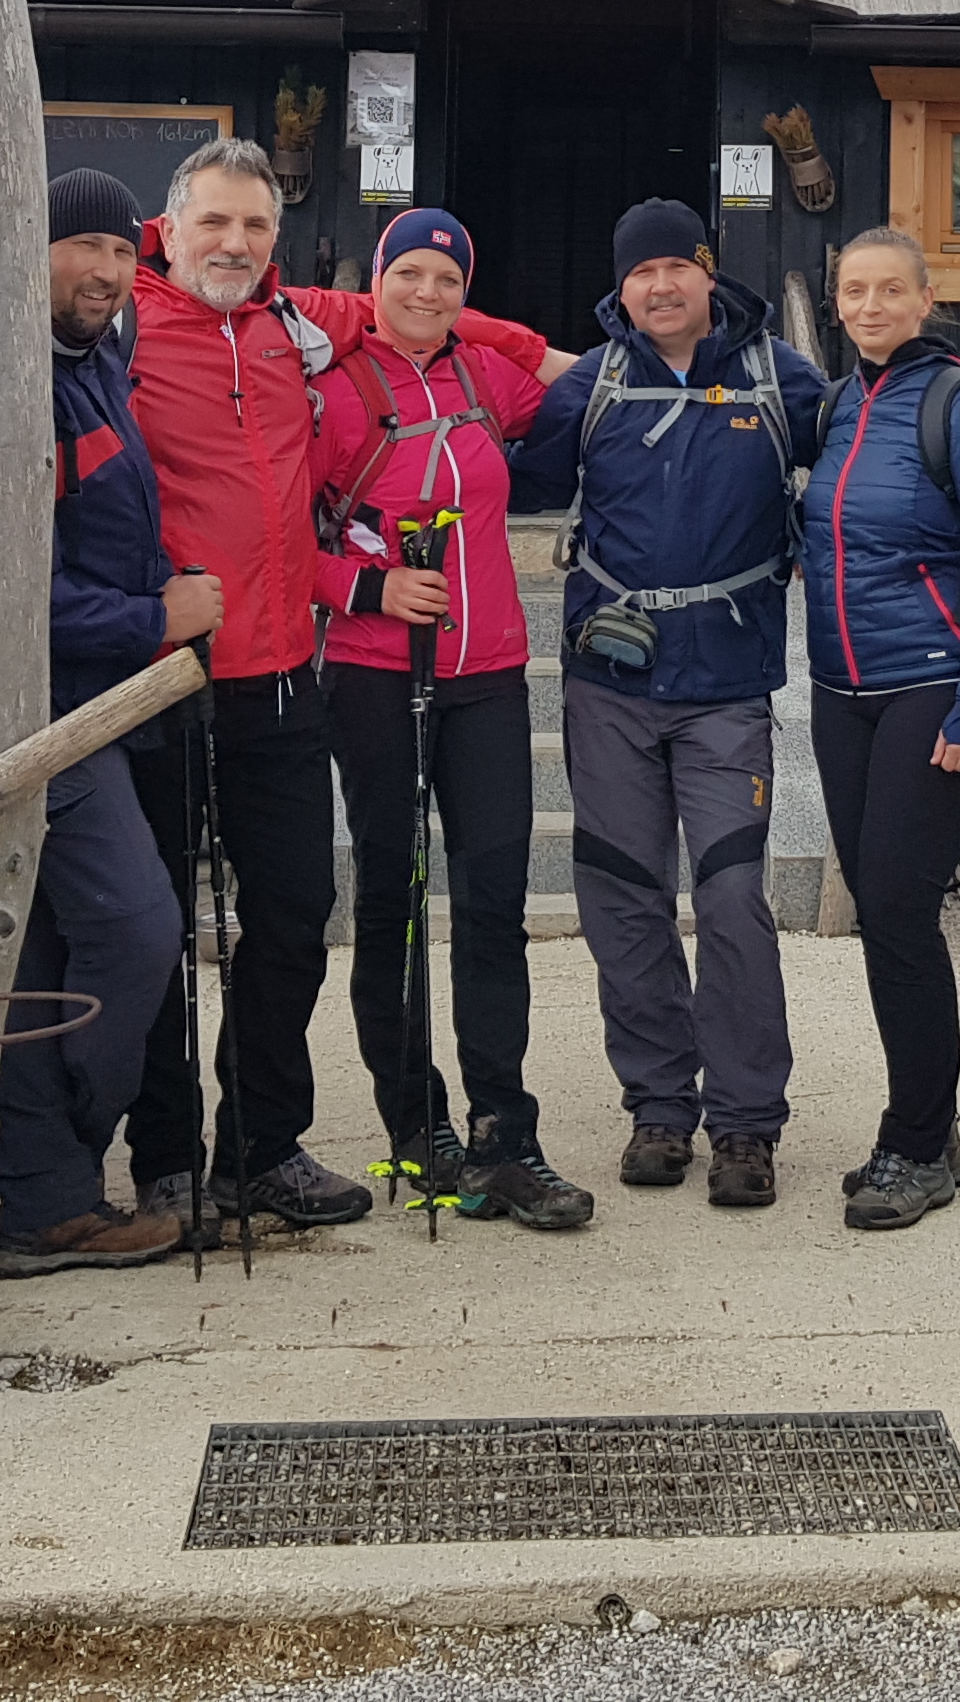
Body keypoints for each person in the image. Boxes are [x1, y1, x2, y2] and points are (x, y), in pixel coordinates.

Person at [0, 136, 560, 1246]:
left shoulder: (301, 324)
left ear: (276, 239)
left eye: (254, 226)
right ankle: (165, 1164)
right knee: (159, 931)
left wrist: (552, 355)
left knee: (291, 916)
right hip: (157, 681)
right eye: (214, 224)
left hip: (282, 674)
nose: (234, 244)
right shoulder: (125, 325)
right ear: (172, 229)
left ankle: (260, 1150)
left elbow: (423, 311)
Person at [508, 198, 831, 1210]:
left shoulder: (779, 377)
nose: (659, 287)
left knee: (732, 899)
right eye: (640, 274)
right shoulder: (595, 383)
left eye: (676, 269)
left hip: (727, 687)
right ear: (622, 286)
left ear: (707, 271)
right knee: (621, 897)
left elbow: (865, 463)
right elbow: (509, 481)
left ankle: (745, 1124)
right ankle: (658, 1107)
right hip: (611, 682)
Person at [308, 207, 595, 1232]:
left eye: (447, 279)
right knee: (392, 895)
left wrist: (488, 330)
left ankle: (504, 1134)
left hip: (489, 672)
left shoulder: (486, 377)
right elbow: (278, 532)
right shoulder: (333, 386)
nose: (426, 294)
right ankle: (415, 1123)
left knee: (492, 902)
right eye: (409, 275)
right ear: (375, 279)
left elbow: (583, 384)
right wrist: (369, 589)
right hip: (375, 672)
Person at [0, 166, 226, 1272]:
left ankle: (41, 1201)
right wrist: (153, 617)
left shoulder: (91, 369)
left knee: (40, 955)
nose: (108, 271)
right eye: (85, 247)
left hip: (94, 713)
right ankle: (57, 1155)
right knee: (135, 928)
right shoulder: (11, 383)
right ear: (29, 253)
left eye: (124, 252)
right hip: (33, 721)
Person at [799, 225, 960, 1231]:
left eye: (890, 290)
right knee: (883, 912)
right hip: (841, 694)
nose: (869, 306)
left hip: (935, 690)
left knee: (898, 909)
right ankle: (932, 1128)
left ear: (926, 299)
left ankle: (917, 1143)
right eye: (854, 290)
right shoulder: (837, 406)